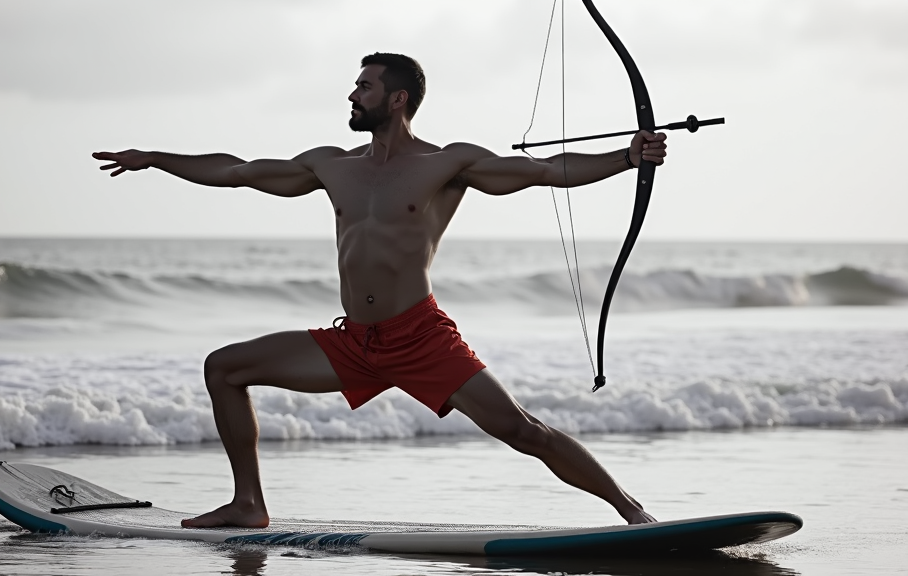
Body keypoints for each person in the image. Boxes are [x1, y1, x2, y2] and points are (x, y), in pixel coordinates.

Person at [93, 53, 666, 529]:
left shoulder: (447, 163)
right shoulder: (330, 165)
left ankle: (632, 512)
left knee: (522, 430)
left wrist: (626, 157)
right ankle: (249, 504)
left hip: (420, 336)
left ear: (397, 99)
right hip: (356, 342)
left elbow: (542, 170)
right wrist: (157, 160)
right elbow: (238, 170)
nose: (351, 95)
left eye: (363, 86)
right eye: (354, 85)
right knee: (223, 368)